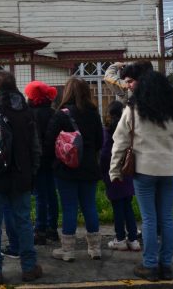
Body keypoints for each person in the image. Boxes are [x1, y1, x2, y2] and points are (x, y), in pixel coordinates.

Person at [110, 71, 173, 282]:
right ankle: (167, 265)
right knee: (167, 219)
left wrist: (115, 170)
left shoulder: (133, 111)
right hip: (169, 170)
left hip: (144, 170)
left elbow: (120, 143)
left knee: (150, 219)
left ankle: (150, 265)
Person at [0, 71, 43, 284]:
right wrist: (32, 171)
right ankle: (29, 267)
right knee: (23, 220)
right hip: (21, 174)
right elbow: (35, 147)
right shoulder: (26, 110)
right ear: (15, 88)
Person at [45, 77, 104, 262]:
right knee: (89, 206)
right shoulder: (94, 113)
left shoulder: (61, 114)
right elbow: (99, 141)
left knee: (69, 208)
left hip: (66, 169)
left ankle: (68, 250)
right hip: (89, 167)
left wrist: (56, 161)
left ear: (67, 91)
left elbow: (48, 142)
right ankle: (95, 248)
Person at [100, 101, 140, 252]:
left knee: (118, 208)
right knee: (128, 207)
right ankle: (133, 240)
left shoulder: (107, 131)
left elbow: (104, 155)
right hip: (127, 172)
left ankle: (120, 239)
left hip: (113, 174)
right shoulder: (128, 129)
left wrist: (103, 172)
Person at [24, 80, 59, 246]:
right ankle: (52, 228)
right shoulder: (53, 113)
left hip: (37, 160)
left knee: (39, 196)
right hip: (52, 159)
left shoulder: (29, 114)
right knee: (52, 194)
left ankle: (40, 230)